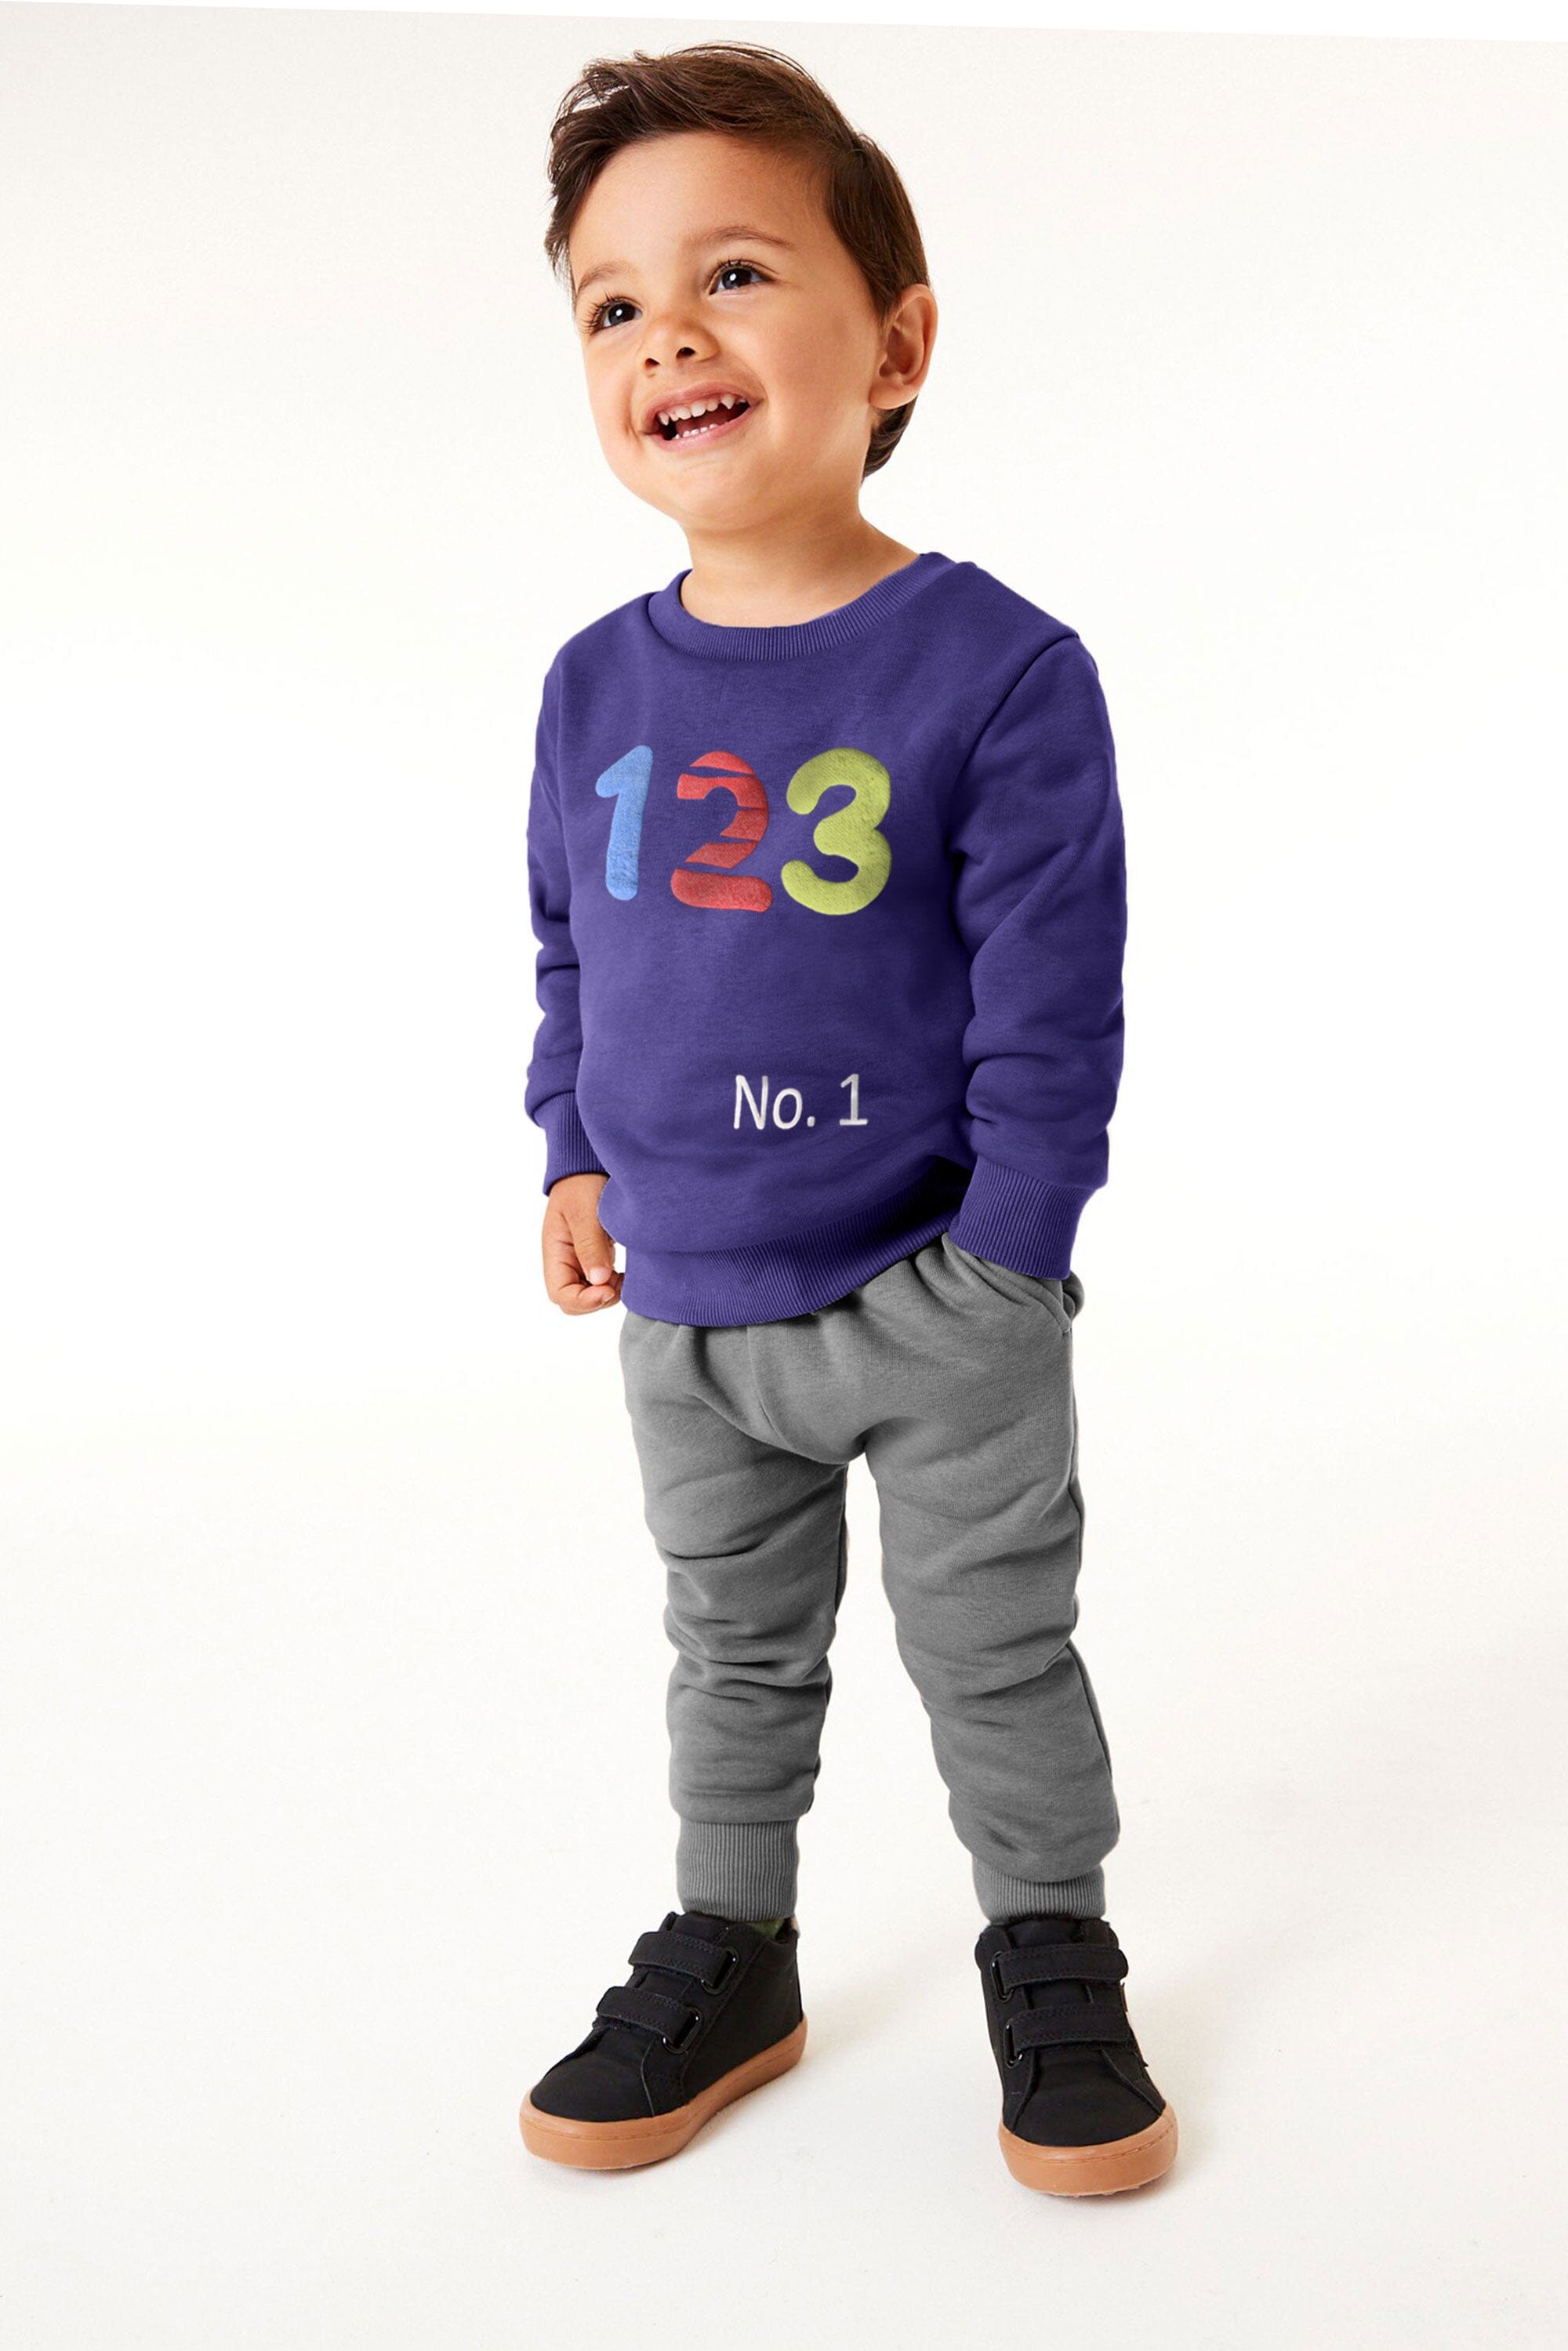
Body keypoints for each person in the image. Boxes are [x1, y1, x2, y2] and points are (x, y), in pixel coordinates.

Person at [516, 39, 1177, 2197]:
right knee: (730, 1651)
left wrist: (1012, 1260)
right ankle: (737, 1948)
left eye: (733, 273)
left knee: (997, 1653)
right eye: (614, 305)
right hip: (689, 1305)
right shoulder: (593, 685)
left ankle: (1052, 1943)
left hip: (932, 1290)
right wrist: (573, 1147)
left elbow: (1055, 1004)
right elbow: (572, 945)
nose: (669, 337)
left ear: (893, 343)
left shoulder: (997, 672)